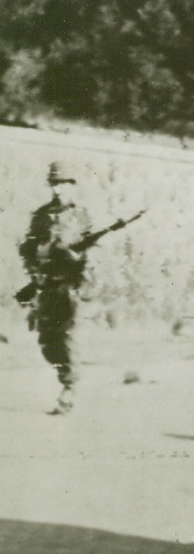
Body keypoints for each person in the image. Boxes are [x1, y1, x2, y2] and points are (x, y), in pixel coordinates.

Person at [18, 163, 94, 414]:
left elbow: (92, 252)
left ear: (72, 185)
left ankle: (68, 389)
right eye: (54, 184)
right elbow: (28, 248)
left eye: (63, 184)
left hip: (69, 286)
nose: (58, 189)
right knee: (47, 341)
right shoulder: (41, 215)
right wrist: (33, 274)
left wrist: (82, 282)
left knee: (65, 336)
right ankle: (64, 375)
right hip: (46, 285)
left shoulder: (81, 215)